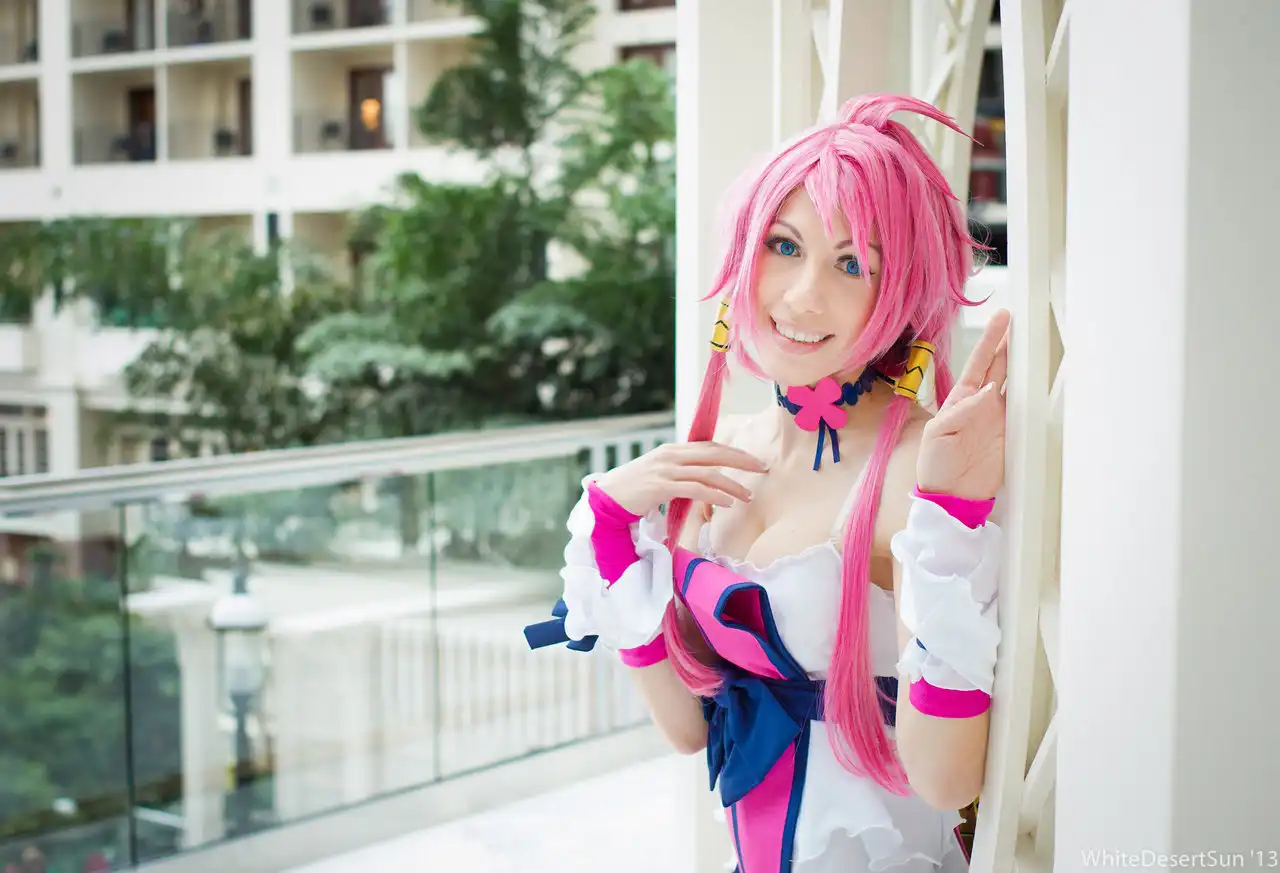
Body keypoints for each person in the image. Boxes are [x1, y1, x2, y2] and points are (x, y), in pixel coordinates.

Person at [525, 93, 1008, 873]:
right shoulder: (723, 449)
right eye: (784, 245)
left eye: (852, 264)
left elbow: (946, 779)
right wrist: (610, 534)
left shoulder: (920, 465)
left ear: (901, 293)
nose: (803, 295)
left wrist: (952, 512)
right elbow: (689, 729)